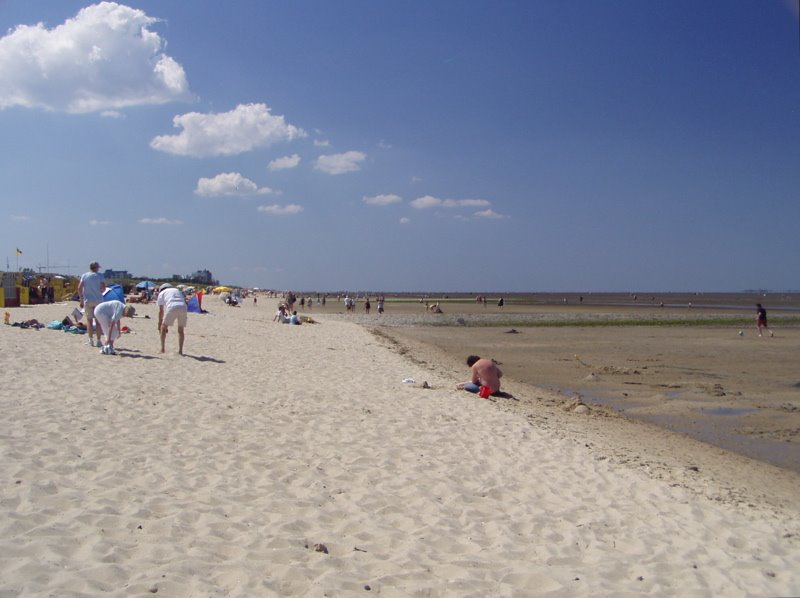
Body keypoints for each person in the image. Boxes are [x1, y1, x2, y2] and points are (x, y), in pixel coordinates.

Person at [77, 261, 106, 347]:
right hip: (98, 300)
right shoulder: (100, 275)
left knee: (89, 321)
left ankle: (90, 340)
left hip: (88, 300)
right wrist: (100, 291)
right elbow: (104, 287)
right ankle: (98, 340)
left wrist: (81, 299)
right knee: (98, 321)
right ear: (96, 268)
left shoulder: (84, 275)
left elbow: (79, 288)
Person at [157, 283, 188, 354]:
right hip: (183, 307)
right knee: (181, 330)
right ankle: (180, 350)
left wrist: (159, 323)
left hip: (172, 307)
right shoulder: (177, 290)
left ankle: (162, 349)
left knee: (163, 328)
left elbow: (161, 311)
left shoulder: (162, 293)